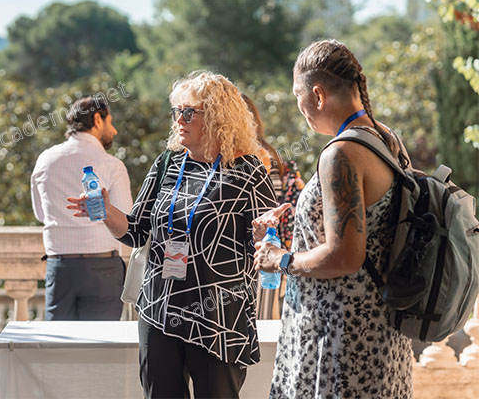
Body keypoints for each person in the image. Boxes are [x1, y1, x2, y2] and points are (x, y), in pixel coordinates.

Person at [68, 70, 277, 398]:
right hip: (159, 310)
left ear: (219, 117)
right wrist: (106, 211)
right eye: (177, 111)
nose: (179, 119)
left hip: (218, 317)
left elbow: (266, 246)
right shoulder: (167, 163)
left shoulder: (248, 172)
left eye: (189, 112)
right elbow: (137, 232)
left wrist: (264, 237)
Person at [253, 39, 413, 398]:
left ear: (318, 95)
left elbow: (345, 256)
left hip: (342, 342)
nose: (300, 107)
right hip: (379, 333)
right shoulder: (386, 138)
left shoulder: (340, 154)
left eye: (298, 96)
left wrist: (281, 259)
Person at [31, 95, 133, 320]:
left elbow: (40, 214)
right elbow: (126, 220)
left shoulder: (45, 160)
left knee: (59, 341)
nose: (114, 130)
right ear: (97, 120)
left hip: (60, 267)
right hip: (103, 269)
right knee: (100, 340)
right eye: (110, 122)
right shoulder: (112, 165)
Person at [241, 93, 304, 319]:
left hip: (260, 256)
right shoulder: (265, 153)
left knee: (260, 323)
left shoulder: (258, 156)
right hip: (265, 254)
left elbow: (264, 212)